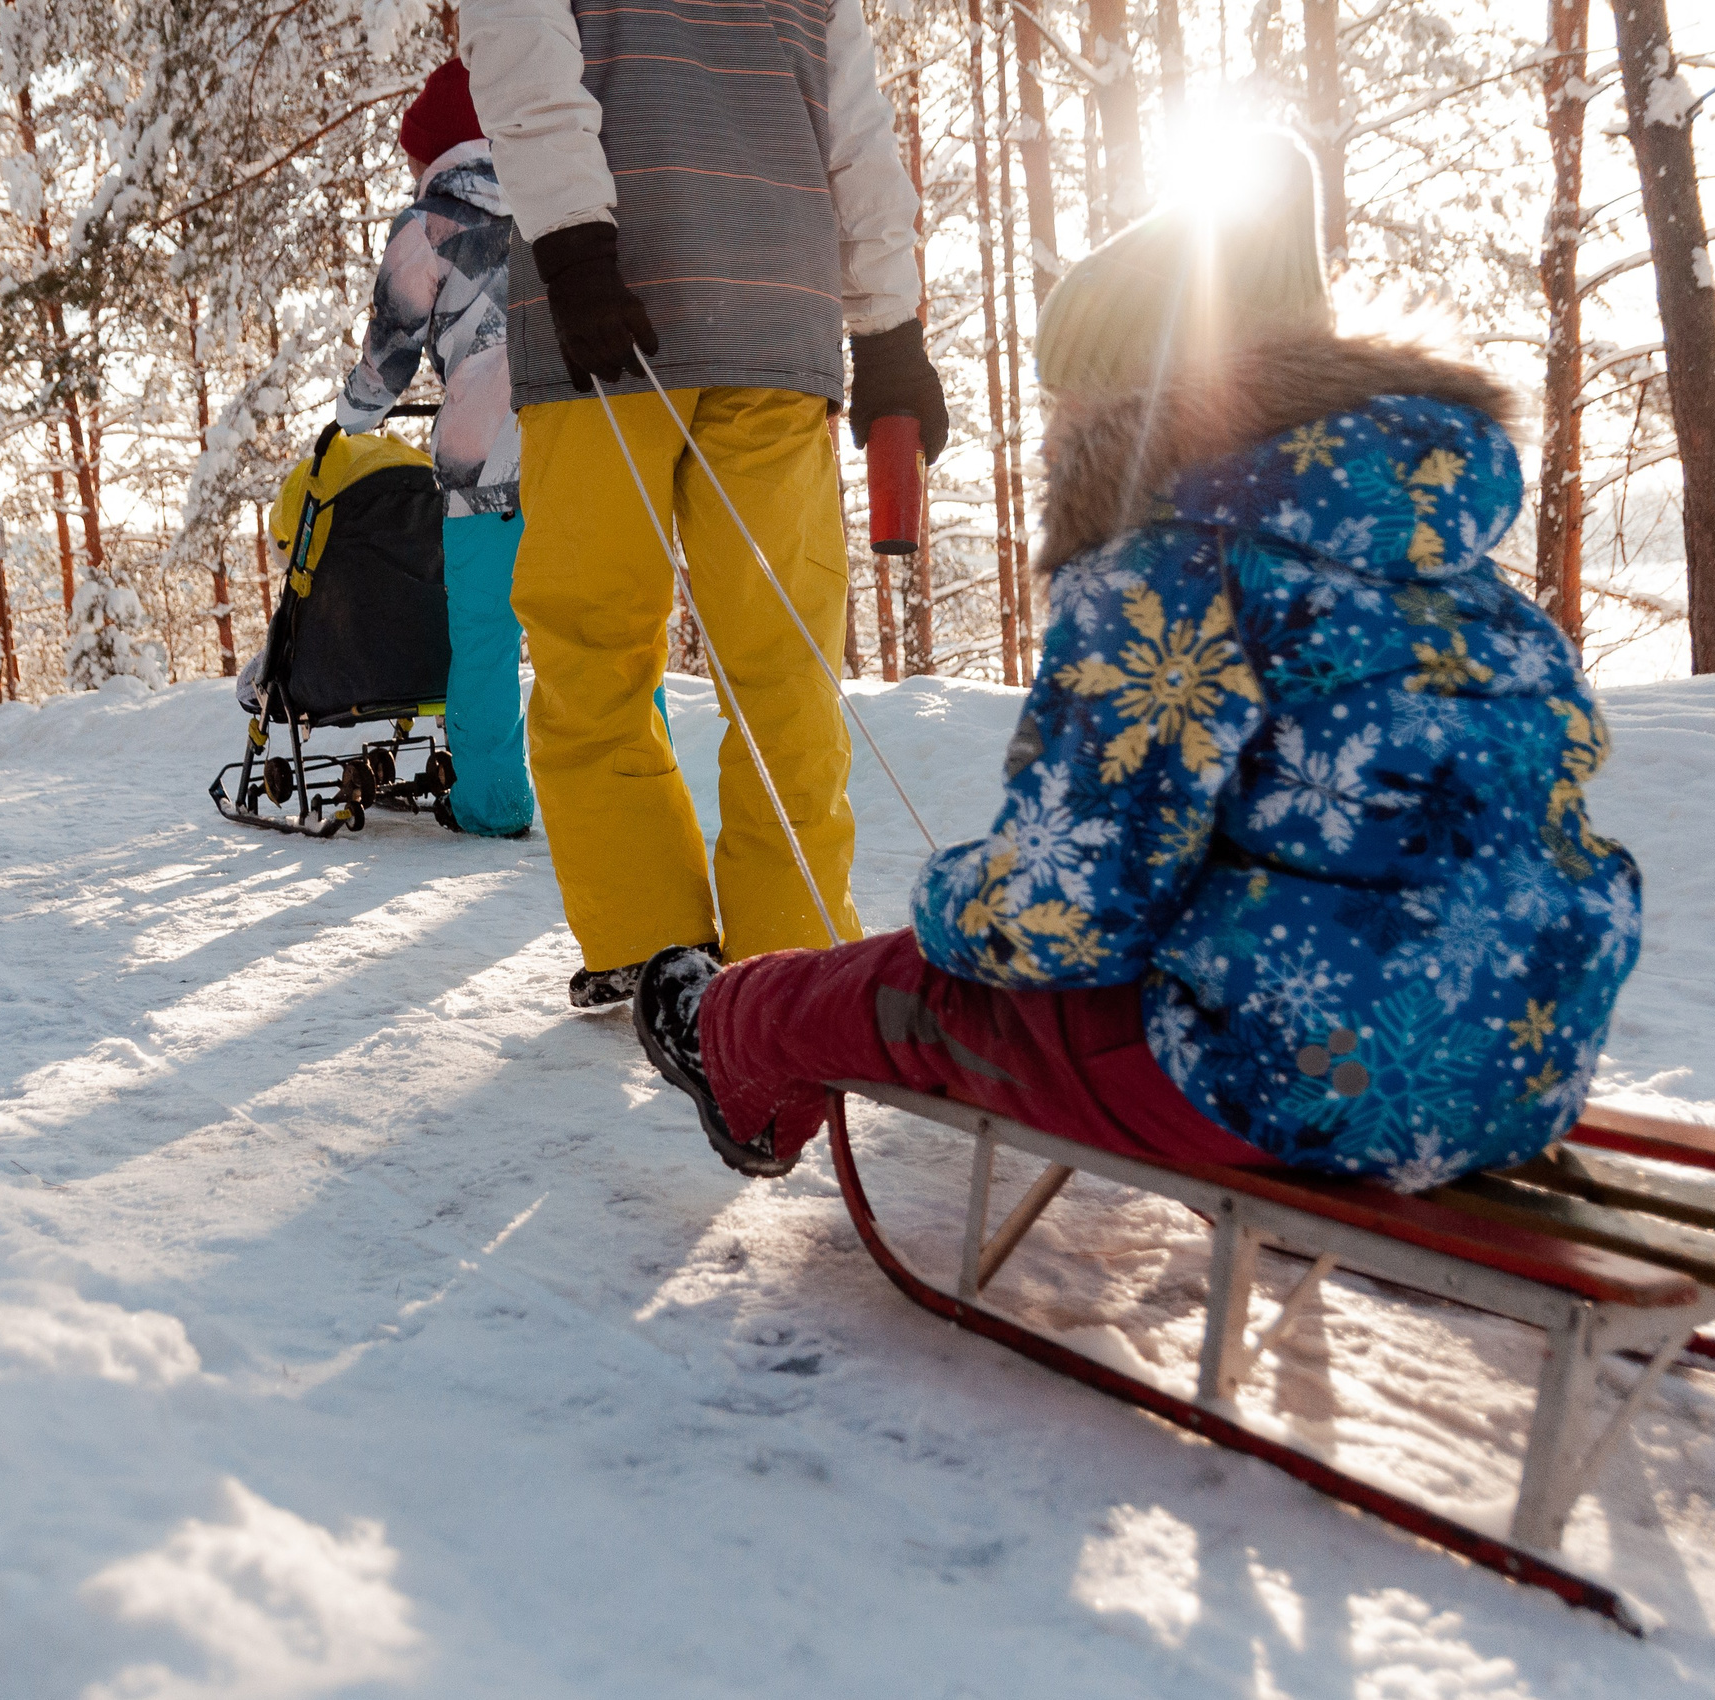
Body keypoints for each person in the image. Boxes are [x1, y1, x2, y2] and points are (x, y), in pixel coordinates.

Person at [632, 131, 1642, 1192]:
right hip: (1525, 1066)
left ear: (1129, 399)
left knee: (910, 983)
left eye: (1070, 394)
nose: (1058, 428)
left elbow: (1067, 912)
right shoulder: (1459, 577)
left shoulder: (1169, 567)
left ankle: (728, 1039)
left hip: (1283, 1086)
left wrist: (947, 905)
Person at [459, 0, 948, 1005]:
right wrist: (888, 322)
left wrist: (569, 237)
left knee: (593, 640)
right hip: (777, 313)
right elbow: (856, 131)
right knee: (785, 655)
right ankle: (792, 942)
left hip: (607, 308)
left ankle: (648, 940)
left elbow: (519, 50)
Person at [335, 58, 536, 838]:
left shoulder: (427, 228)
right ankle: (626, 794)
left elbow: (388, 360)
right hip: (575, 456)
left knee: (486, 638)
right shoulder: (557, 200)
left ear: (438, 152)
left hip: (481, 469)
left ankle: (492, 804)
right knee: (594, 633)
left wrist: (354, 415)